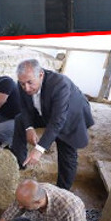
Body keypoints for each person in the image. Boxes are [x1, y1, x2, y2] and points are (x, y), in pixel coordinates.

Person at [11, 59, 95, 190]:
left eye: (29, 83)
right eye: (22, 84)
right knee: (20, 119)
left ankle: (62, 190)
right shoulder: (23, 82)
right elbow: (24, 108)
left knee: (67, 150)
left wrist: (39, 149)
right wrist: (29, 128)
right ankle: (20, 163)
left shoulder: (60, 84)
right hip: (45, 109)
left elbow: (57, 120)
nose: (26, 88)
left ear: (41, 75)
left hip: (70, 115)